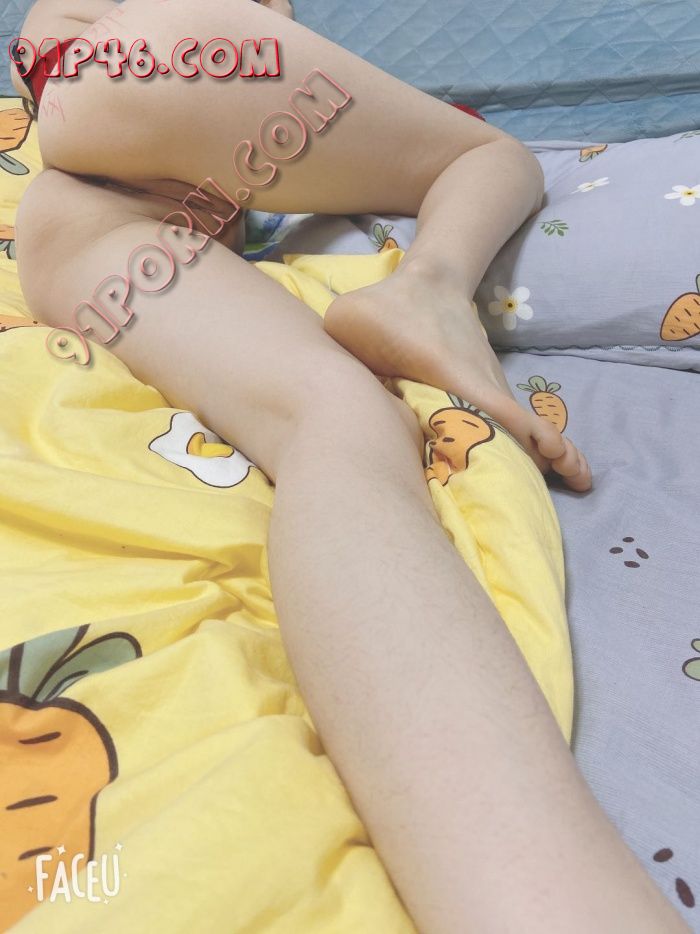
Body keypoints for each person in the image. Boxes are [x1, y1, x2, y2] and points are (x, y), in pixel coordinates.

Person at [8, 1, 688, 932]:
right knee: (492, 155)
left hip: (67, 223)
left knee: (337, 420)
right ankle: (430, 288)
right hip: (148, 69)